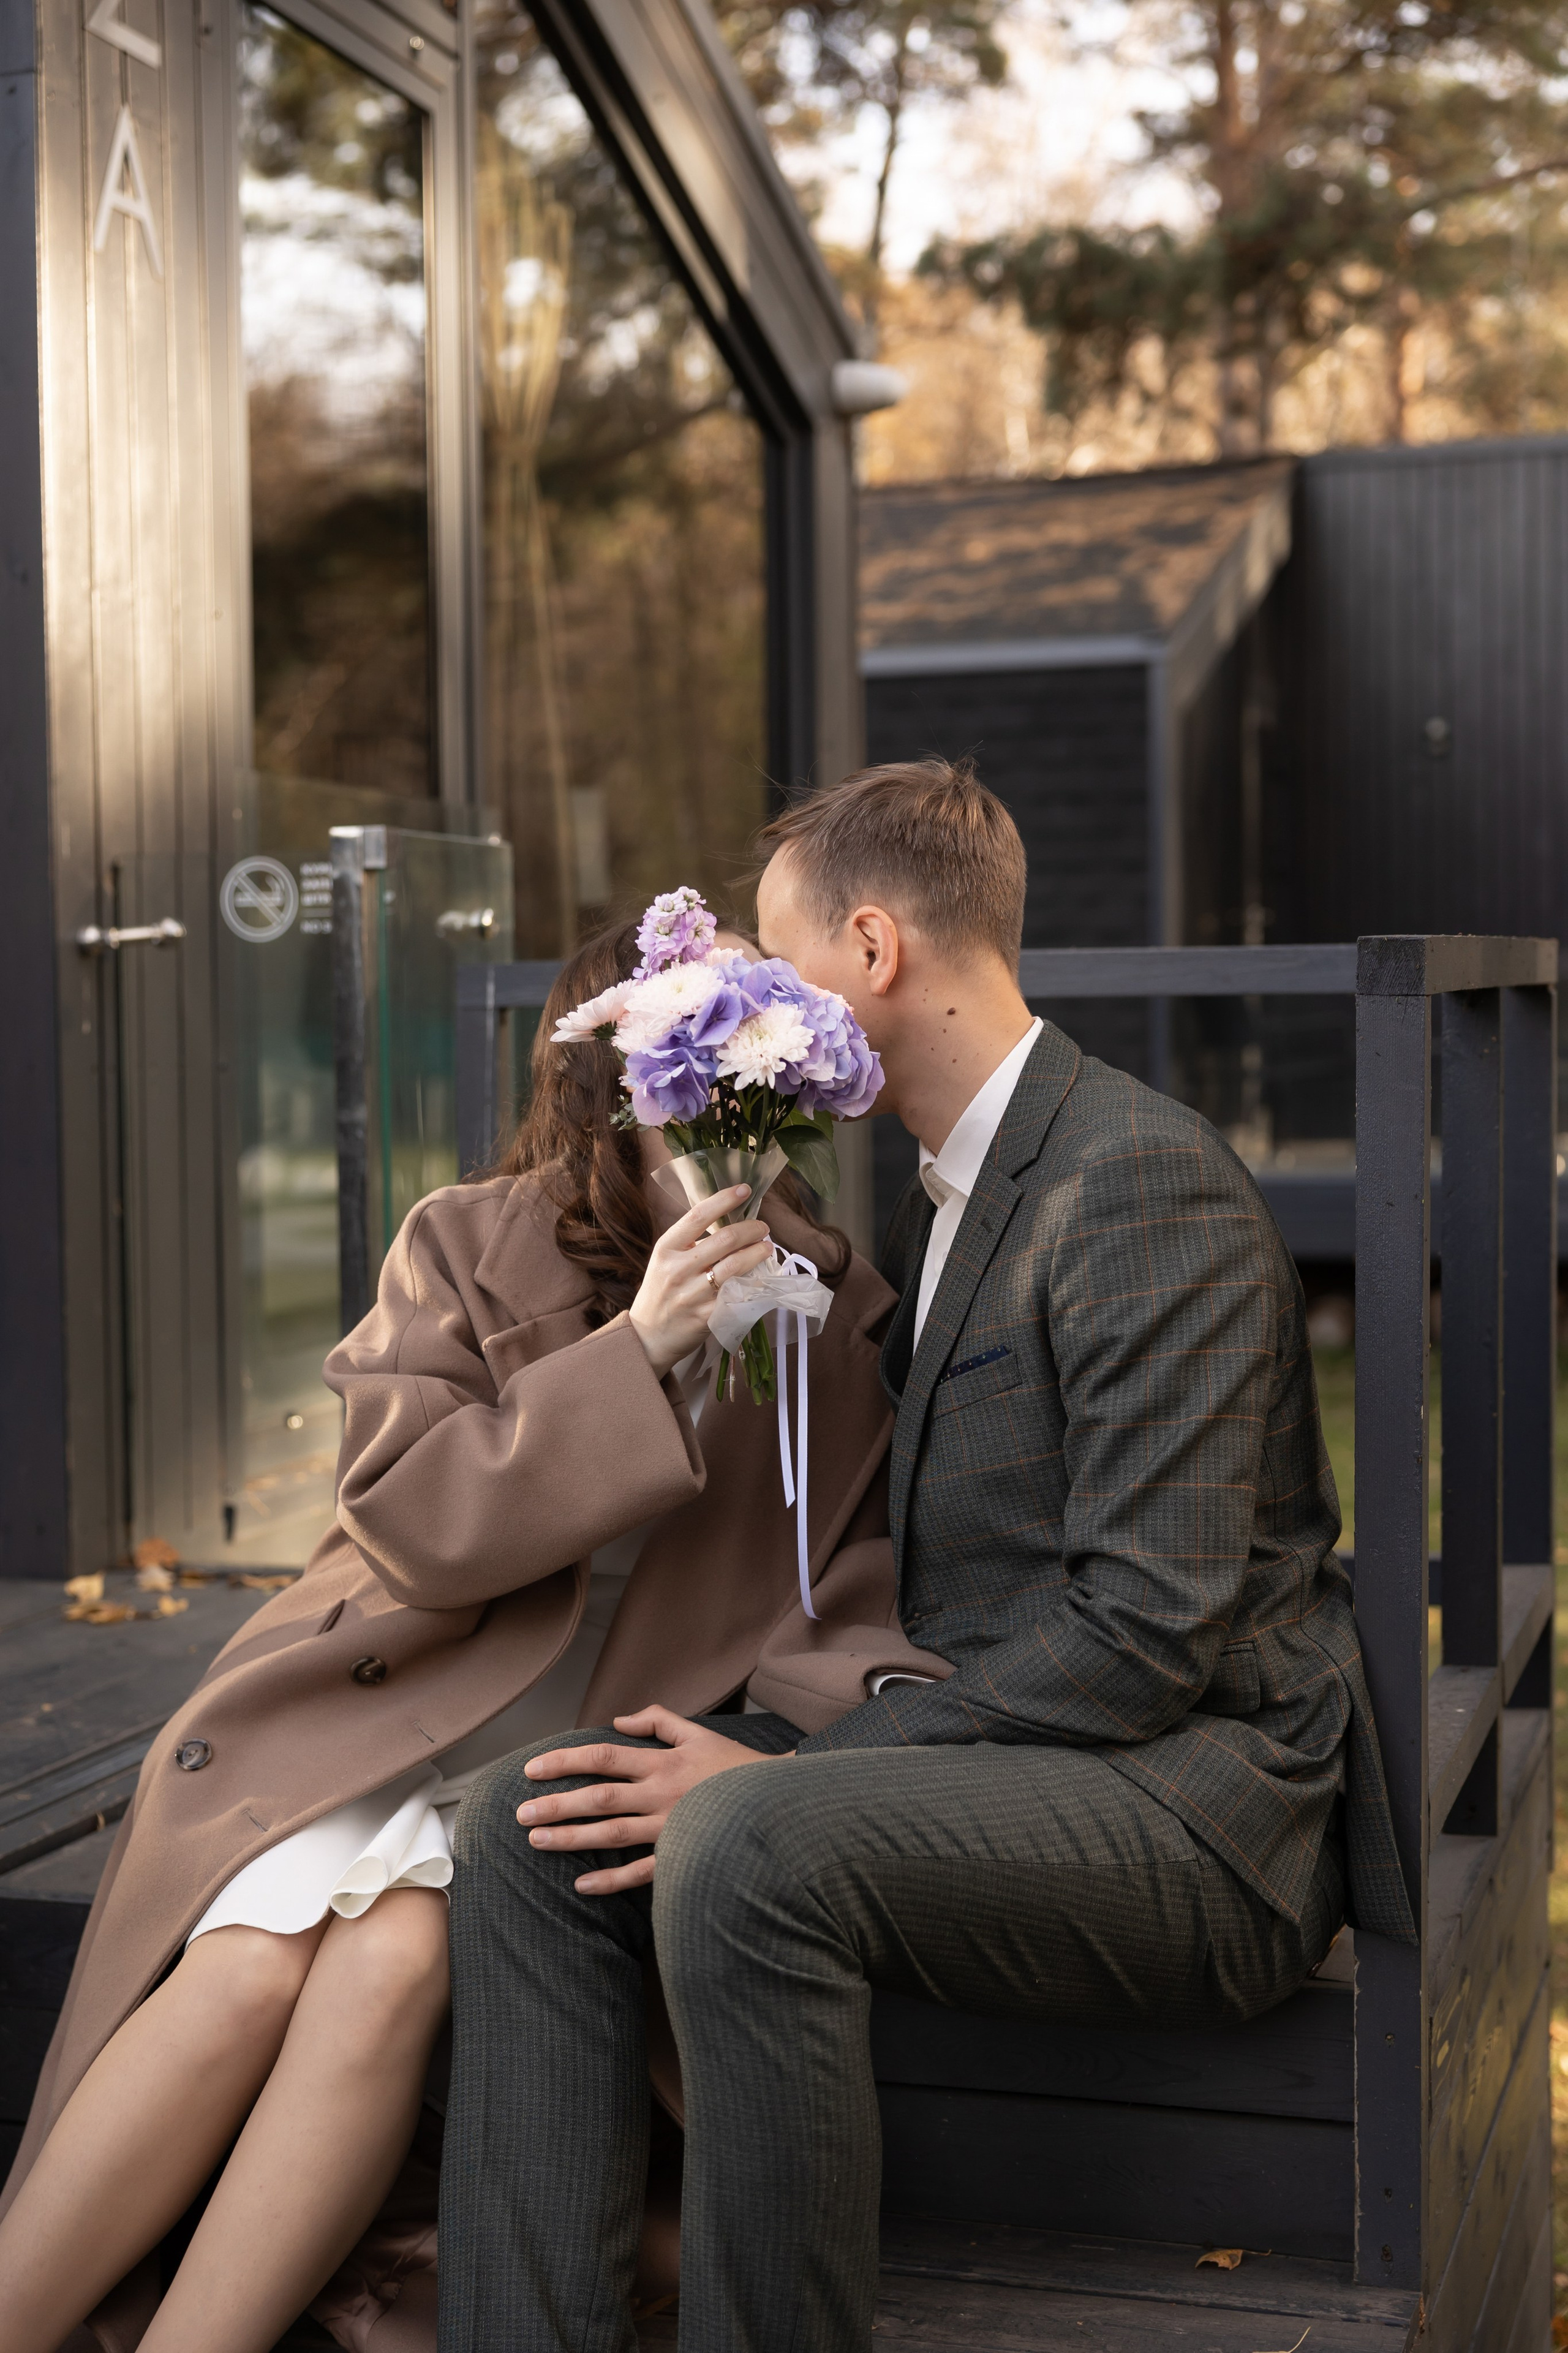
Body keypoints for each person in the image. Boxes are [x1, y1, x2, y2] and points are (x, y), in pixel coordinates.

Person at [438, 759, 1415, 2353]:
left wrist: (773, 1779)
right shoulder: (950, 1182)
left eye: (777, 957)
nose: (755, 996)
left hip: (1201, 1800)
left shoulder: (1134, 1183)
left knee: (748, 1848)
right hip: (1009, 1749)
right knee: (529, 1824)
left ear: (873, 953)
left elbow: (1148, 1633)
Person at [0, 920, 920, 2353]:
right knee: (241, 1968)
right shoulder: (462, 1239)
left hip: (562, 1765)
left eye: (757, 1069)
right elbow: (415, 1520)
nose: (724, 1109)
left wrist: (829, 1742)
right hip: (382, 1712)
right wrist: (640, 1352)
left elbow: (832, 1577)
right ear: (611, 1082)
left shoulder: (825, 1301)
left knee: (393, 1956)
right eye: (691, 1069)